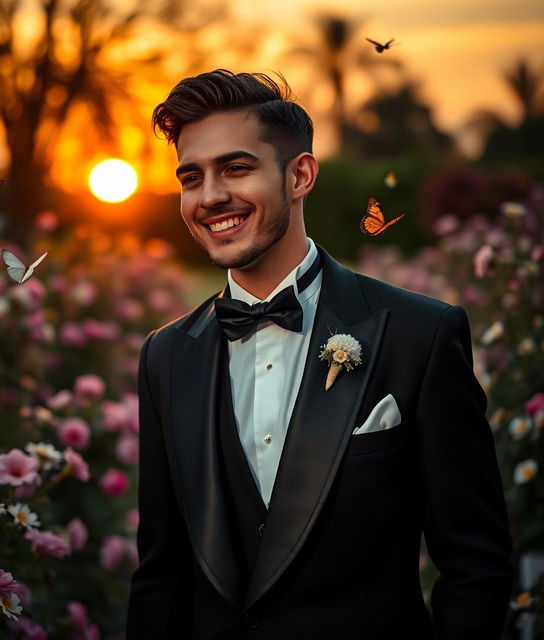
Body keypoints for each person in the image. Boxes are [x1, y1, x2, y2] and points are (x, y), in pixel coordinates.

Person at [126, 69, 514, 639]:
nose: (209, 196)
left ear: (300, 174)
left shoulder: (420, 334)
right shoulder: (165, 356)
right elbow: (160, 574)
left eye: (236, 168)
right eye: (191, 177)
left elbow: (475, 562)